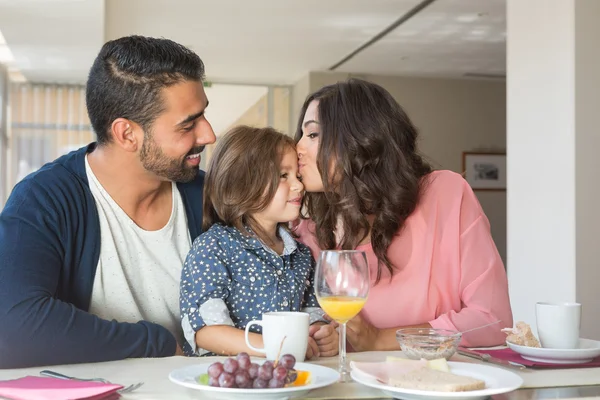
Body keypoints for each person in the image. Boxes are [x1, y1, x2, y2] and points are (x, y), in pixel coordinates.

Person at [0, 35, 216, 368]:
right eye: (188, 124)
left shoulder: (211, 197)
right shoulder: (44, 199)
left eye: (202, 116)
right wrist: (155, 342)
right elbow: (13, 329)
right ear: (127, 133)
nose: (208, 135)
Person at [294, 78, 513, 350]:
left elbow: (491, 321)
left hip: (435, 385)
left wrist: (379, 339)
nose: (298, 148)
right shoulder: (306, 232)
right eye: (302, 135)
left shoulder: (444, 196)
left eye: (313, 135)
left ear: (358, 139)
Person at [180, 126, 337, 358]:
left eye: (298, 176)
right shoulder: (214, 247)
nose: (299, 186)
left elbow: (312, 314)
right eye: (284, 176)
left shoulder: (301, 255)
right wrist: (274, 347)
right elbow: (206, 332)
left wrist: (322, 334)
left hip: (283, 380)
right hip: (224, 384)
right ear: (242, 184)